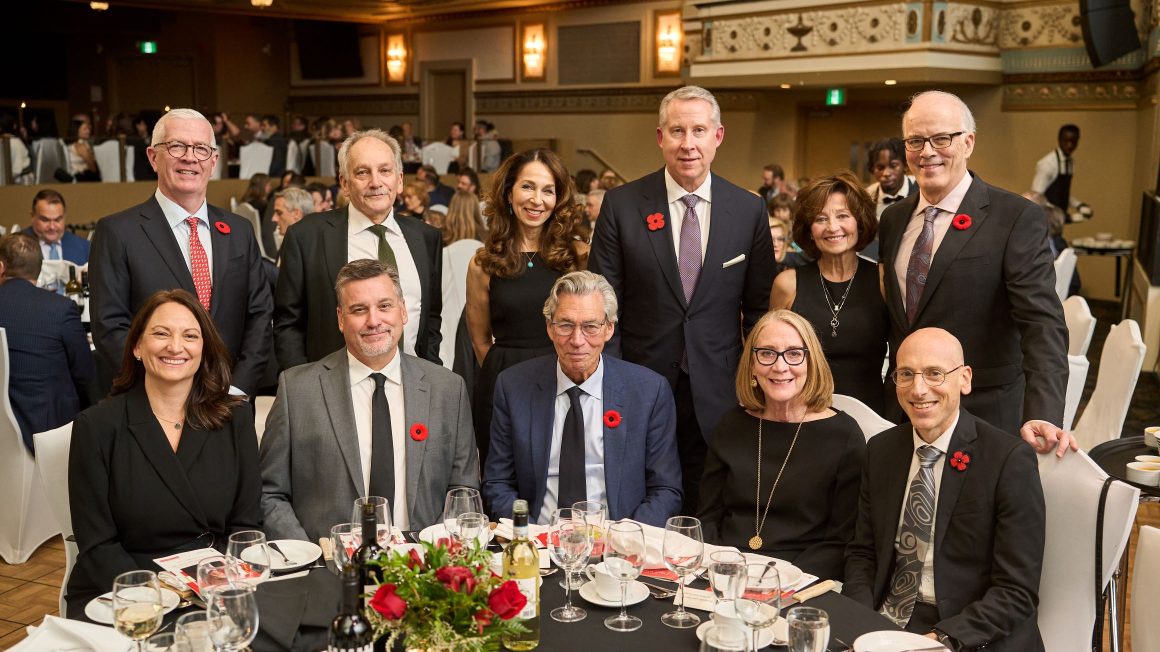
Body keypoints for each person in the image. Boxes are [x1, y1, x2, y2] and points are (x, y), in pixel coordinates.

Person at [588, 85, 775, 514]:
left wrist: (754, 376)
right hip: (638, 379)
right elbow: (603, 303)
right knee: (638, 497)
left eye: (698, 130)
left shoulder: (748, 210)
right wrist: (611, 381)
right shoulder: (623, 205)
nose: (687, 143)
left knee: (705, 502)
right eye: (676, 131)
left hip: (719, 387)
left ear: (718, 136)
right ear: (660, 137)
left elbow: (760, 307)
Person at [878, 91, 1071, 454]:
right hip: (905, 414)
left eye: (941, 138)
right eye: (915, 141)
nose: (927, 151)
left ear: (968, 142)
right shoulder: (893, 220)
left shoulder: (1014, 218)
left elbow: (1042, 323)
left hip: (984, 416)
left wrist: (1044, 412)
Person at [844, 328, 1045, 650]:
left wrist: (942, 639)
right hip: (887, 620)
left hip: (969, 630)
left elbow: (1016, 591)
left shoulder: (1007, 460)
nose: (918, 389)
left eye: (934, 374)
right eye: (906, 374)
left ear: (964, 379)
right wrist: (860, 621)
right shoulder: (881, 450)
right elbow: (862, 553)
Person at [66, 290, 262, 618]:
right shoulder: (96, 426)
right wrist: (154, 594)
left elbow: (246, 523)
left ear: (204, 349)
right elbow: (97, 544)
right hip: (125, 585)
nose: (175, 346)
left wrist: (216, 581)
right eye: (161, 333)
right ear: (137, 347)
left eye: (190, 335)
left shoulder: (235, 416)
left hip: (213, 579)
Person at [261, 259, 479, 541]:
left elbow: (463, 491)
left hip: (422, 566)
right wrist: (309, 555)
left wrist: (434, 550)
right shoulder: (297, 390)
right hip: (328, 570)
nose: (374, 321)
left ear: (402, 311)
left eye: (384, 306)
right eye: (359, 310)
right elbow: (270, 492)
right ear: (341, 319)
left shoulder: (448, 389)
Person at [89, 108, 273, 396]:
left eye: (201, 149)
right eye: (176, 146)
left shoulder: (240, 230)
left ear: (213, 162)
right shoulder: (117, 232)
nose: (190, 157)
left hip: (230, 402)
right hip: (153, 403)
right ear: (153, 157)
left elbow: (260, 316)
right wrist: (166, 389)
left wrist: (237, 388)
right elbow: (109, 327)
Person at [484, 271, 682, 525]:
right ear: (550, 328)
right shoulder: (513, 387)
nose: (577, 340)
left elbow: (666, 490)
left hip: (618, 548)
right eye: (565, 325)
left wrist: (626, 539)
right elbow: (498, 483)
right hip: (539, 542)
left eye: (590, 326)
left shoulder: (648, 392)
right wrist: (530, 538)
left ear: (609, 329)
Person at [698, 309, 863, 579]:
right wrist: (722, 567)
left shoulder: (844, 436)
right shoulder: (731, 425)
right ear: (751, 364)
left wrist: (779, 580)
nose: (780, 366)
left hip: (802, 580)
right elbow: (708, 517)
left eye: (794, 353)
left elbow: (841, 541)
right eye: (767, 353)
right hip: (726, 571)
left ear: (812, 362)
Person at [275, 129, 444, 370]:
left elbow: (431, 320)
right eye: (363, 172)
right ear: (344, 183)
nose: (376, 182)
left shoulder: (426, 238)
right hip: (332, 390)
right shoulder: (306, 237)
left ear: (399, 180)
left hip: (412, 386)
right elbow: (287, 324)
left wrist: (429, 375)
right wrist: (302, 387)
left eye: (385, 171)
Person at [466, 148, 587, 467]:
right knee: (504, 480)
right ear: (508, 192)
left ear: (558, 199)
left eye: (548, 190)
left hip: (566, 376)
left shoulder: (579, 257)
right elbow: (480, 340)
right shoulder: (483, 264)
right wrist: (507, 378)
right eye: (527, 186)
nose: (537, 199)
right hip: (503, 382)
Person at [770, 172, 889, 413]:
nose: (832, 227)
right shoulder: (787, 284)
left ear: (860, 221)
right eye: (821, 218)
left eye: (843, 216)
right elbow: (770, 354)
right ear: (809, 229)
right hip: (802, 414)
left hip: (873, 415)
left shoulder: (883, 280)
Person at [0, 233, 94, 454]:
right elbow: (85, 373)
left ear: (1, 268)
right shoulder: (60, 309)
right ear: (40, 270)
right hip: (48, 432)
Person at [862, 138, 917, 261]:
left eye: (893, 166)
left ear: (905, 166)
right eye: (880, 168)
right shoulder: (867, 197)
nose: (886, 173)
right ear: (872, 169)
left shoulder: (921, 188)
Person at [1031, 124, 1084, 221]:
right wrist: (1061, 216)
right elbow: (1036, 198)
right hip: (1045, 221)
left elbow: (1062, 194)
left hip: (1058, 222)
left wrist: (1079, 205)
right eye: (1066, 141)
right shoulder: (1048, 164)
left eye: (1073, 141)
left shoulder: (1070, 163)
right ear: (1059, 140)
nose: (1070, 145)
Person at [28, 189, 90, 266]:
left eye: (57, 220)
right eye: (45, 220)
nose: (52, 227)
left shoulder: (84, 247)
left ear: (64, 217)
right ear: (32, 216)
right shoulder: (15, 247)